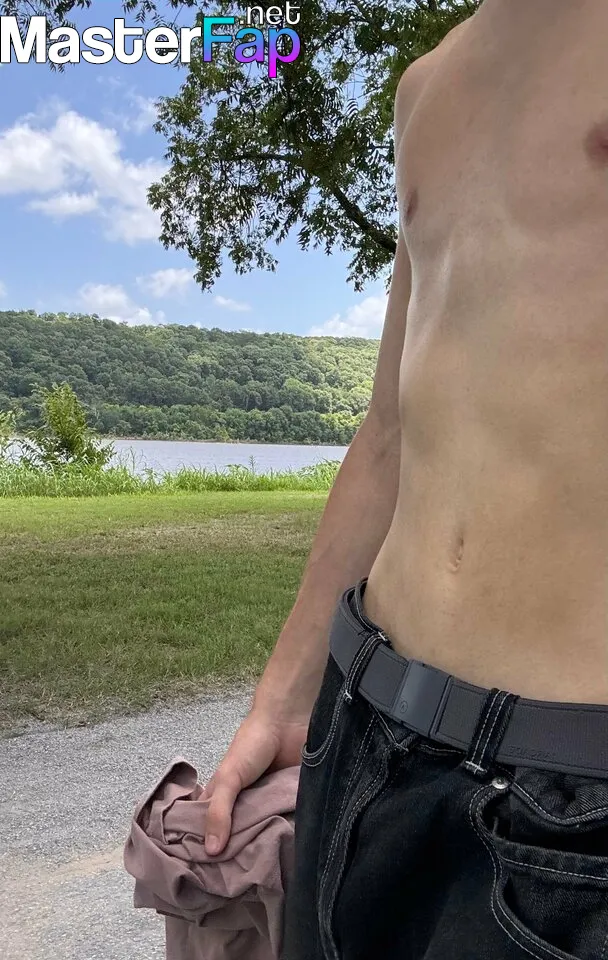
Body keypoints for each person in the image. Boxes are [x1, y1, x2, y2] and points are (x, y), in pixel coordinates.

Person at [202, 0, 608, 956]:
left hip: (575, 794)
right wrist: (283, 698)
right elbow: (388, 428)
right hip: (363, 731)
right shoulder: (425, 85)